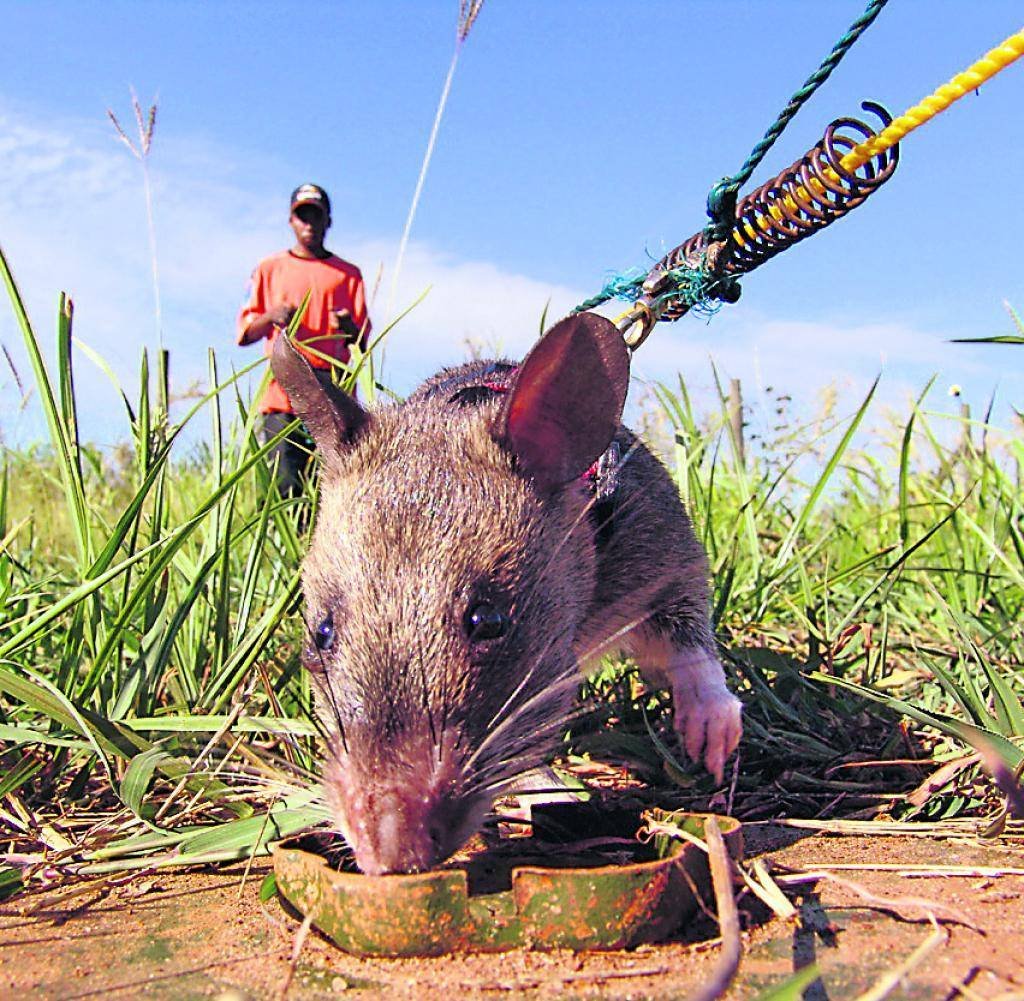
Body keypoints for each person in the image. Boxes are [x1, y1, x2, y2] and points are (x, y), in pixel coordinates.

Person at [237, 183, 371, 495]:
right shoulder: (269, 269)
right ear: (291, 221)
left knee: (331, 488)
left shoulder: (348, 275)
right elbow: (245, 333)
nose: (309, 224)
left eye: (316, 216)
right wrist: (271, 316)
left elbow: (362, 342)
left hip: (334, 394)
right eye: (303, 216)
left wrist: (348, 325)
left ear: (328, 221)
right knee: (283, 484)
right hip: (283, 391)